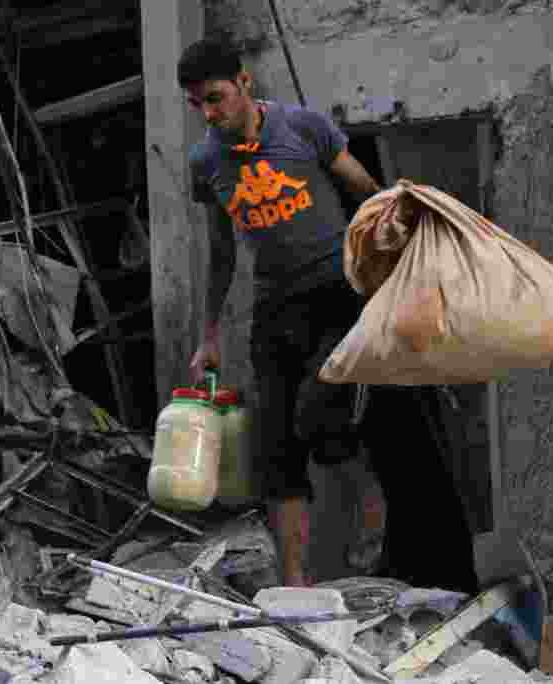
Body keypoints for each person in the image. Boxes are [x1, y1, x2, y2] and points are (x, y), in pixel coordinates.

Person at [178, 38, 382, 587]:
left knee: (317, 412)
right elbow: (221, 253)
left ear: (244, 83)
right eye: (198, 105)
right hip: (272, 307)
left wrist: (395, 258)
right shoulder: (207, 162)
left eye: (216, 98)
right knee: (275, 449)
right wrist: (210, 334)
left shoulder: (303, 128)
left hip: (336, 295)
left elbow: (366, 190)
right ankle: (294, 587)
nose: (210, 114)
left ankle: (368, 499)